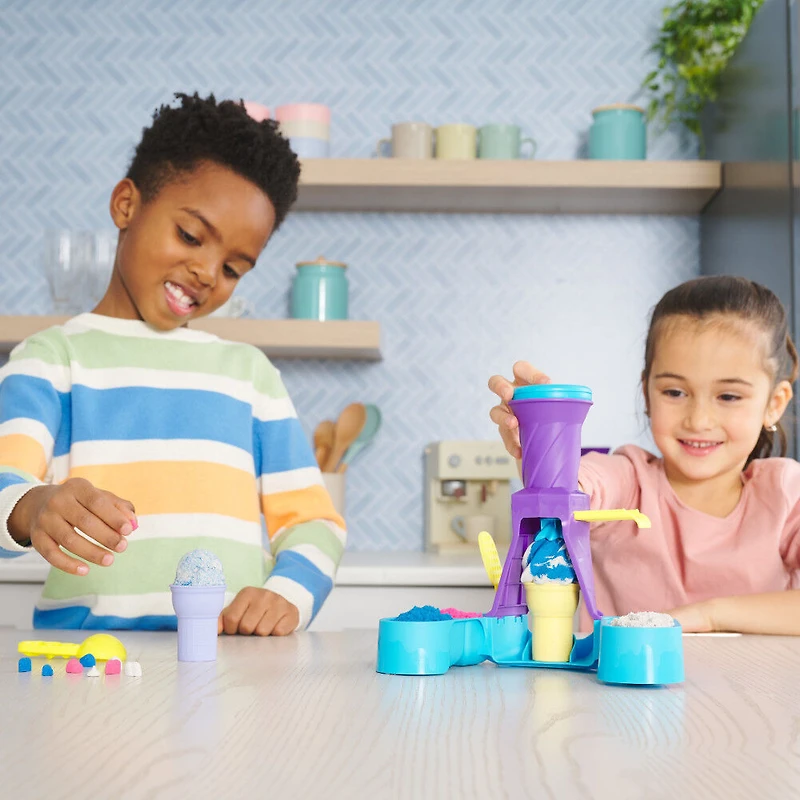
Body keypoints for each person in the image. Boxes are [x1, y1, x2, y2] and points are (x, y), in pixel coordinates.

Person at [0, 93, 345, 636]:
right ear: (126, 205)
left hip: (228, 661)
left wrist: (286, 595)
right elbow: (6, 482)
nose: (207, 272)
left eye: (233, 269)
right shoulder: (50, 360)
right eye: (190, 236)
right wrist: (33, 505)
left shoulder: (249, 376)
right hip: (85, 660)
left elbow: (314, 523)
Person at [489, 276, 800, 634]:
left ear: (774, 403)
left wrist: (709, 615)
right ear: (647, 393)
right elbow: (564, 491)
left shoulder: (785, 495)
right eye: (674, 392)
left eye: (728, 396)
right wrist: (540, 432)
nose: (698, 420)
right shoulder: (627, 481)